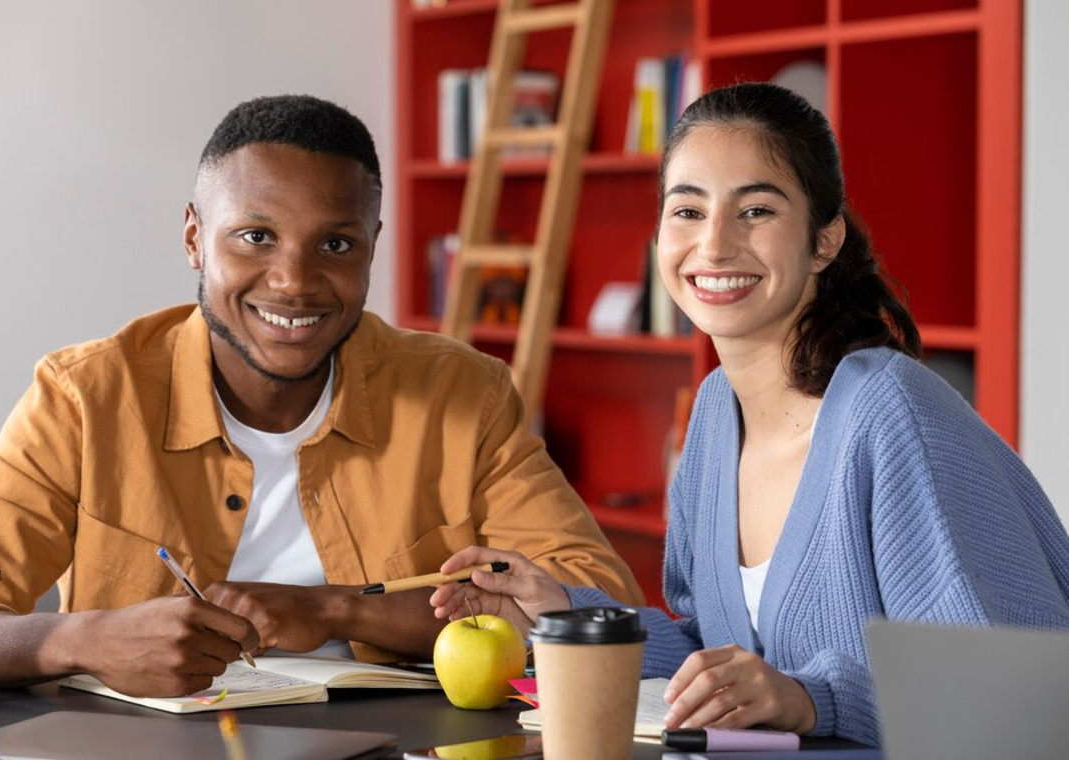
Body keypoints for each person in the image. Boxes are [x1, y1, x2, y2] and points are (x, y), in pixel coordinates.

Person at [0, 95, 643, 698]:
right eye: (255, 237)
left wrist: (340, 612)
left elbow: (595, 605)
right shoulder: (86, 396)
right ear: (193, 239)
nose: (293, 282)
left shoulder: (466, 393)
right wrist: (80, 638)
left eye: (335, 245)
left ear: (371, 245)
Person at [430, 82, 1069, 747]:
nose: (713, 245)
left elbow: (1013, 699)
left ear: (824, 242)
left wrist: (813, 699)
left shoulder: (890, 414)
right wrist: (563, 615)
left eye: (756, 210)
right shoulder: (712, 417)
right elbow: (718, 663)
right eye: (686, 211)